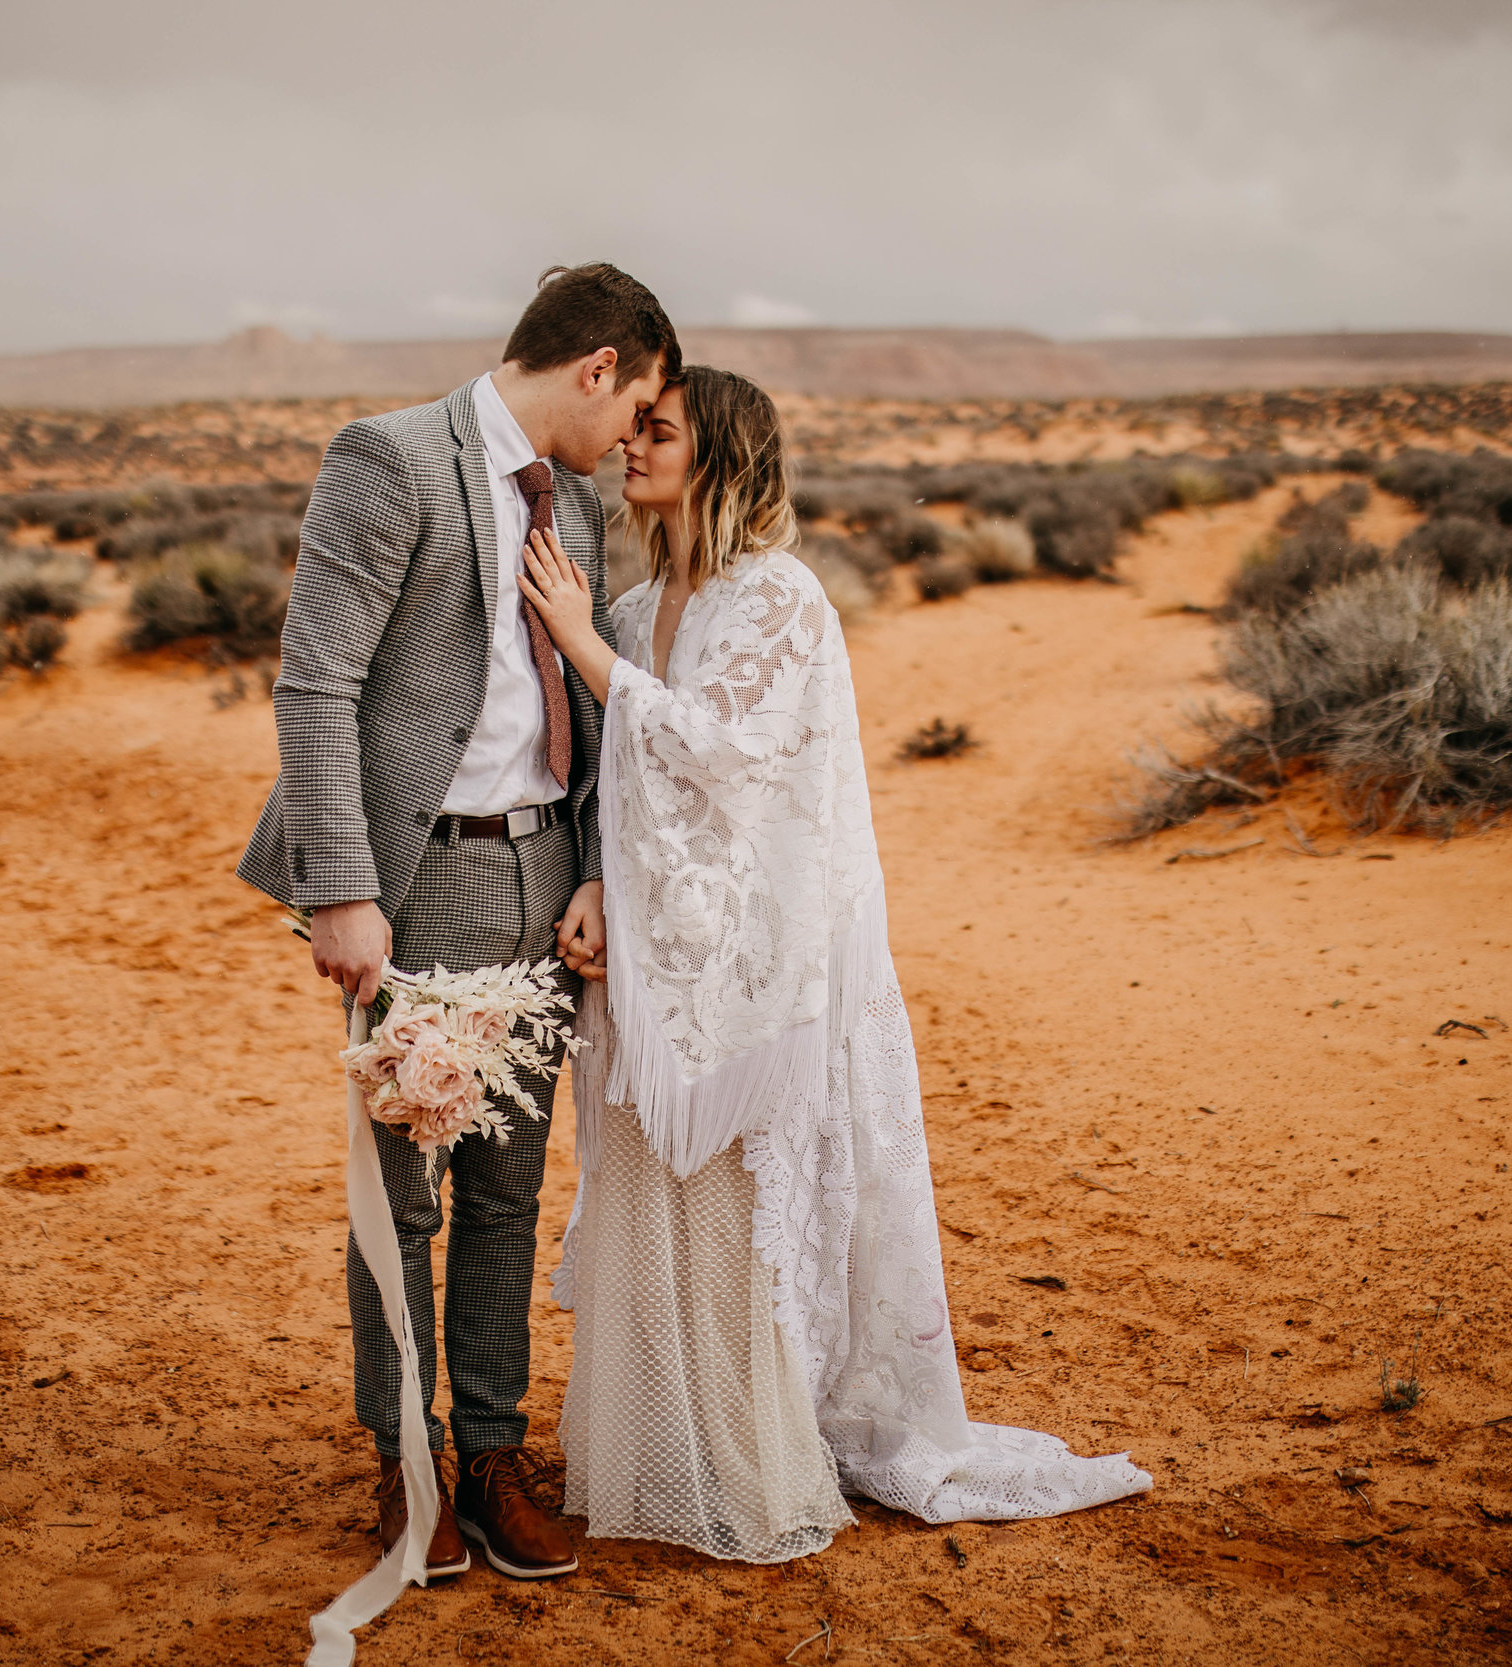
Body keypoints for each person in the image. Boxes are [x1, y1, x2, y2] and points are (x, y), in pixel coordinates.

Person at [520, 367, 1151, 1563]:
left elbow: (725, 754)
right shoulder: (640, 598)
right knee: (660, 1184)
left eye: (661, 431)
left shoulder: (782, 598)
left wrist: (574, 643)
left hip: (769, 955)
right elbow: (619, 773)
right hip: (660, 950)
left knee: (745, 1197)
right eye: (634, 423)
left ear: (724, 459)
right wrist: (597, 881)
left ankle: (751, 1452)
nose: (631, 444)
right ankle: (672, 1443)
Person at [237, 264, 677, 1586]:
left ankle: (491, 1454)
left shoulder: (579, 503)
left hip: (543, 878)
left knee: (506, 1193)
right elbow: (313, 683)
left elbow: (589, 717)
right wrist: (342, 887)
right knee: (404, 1192)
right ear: (596, 365)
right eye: (639, 399)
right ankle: (407, 1460)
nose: (634, 433)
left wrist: (594, 869)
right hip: (415, 879)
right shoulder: (392, 459)